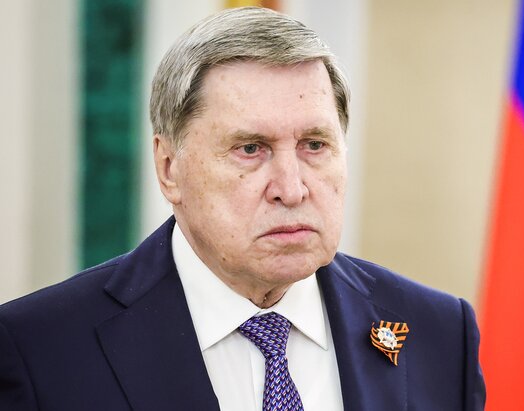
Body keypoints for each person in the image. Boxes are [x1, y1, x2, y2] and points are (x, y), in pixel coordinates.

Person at [0, 7, 486, 411]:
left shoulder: (439, 332)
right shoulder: (38, 350)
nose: (291, 189)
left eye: (315, 145)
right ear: (169, 168)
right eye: (250, 149)